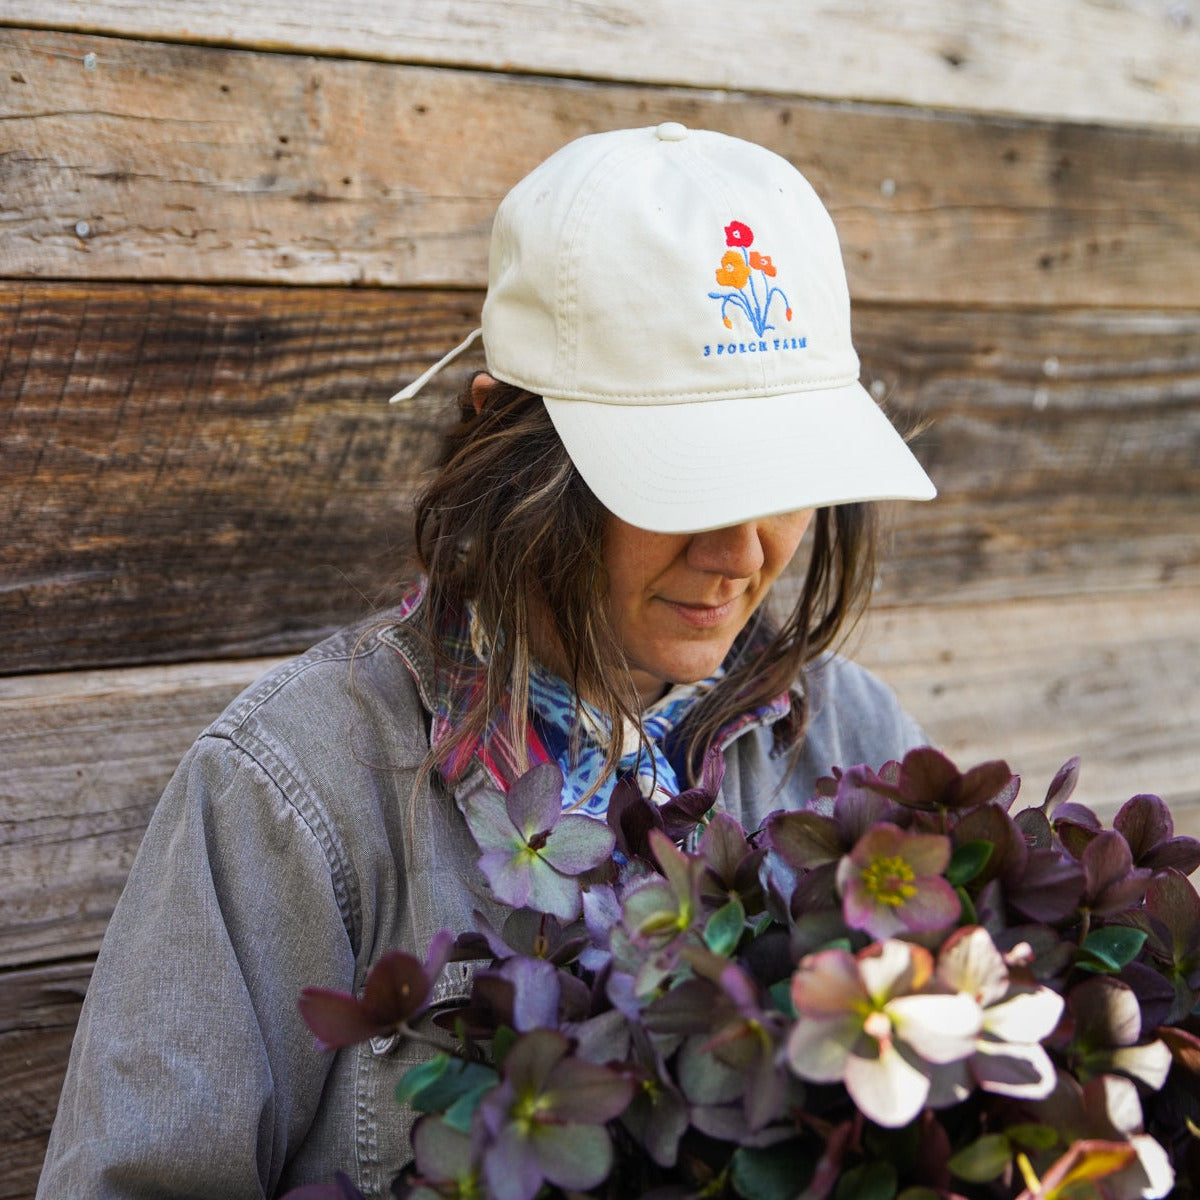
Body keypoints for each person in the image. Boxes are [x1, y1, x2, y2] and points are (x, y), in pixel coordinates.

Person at [38, 123, 937, 1199]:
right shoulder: (296, 791)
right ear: (510, 451)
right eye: (684, 486)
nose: (742, 557)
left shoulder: (856, 745)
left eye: (785, 477)